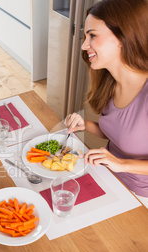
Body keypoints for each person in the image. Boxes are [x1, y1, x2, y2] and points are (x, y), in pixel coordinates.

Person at [65, 0, 148, 205]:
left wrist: (122, 164)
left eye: (92, 35)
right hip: (108, 178)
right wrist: (87, 125)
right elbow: (121, 134)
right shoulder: (111, 82)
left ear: (123, 37)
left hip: (140, 197)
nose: (84, 45)